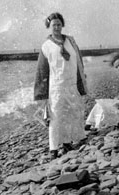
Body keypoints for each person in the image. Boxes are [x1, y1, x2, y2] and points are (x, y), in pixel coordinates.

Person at [34, 12, 87, 160]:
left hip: (72, 84)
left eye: (58, 24)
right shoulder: (46, 46)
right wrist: (41, 95)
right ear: (49, 27)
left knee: (74, 112)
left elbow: (79, 62)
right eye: (53, 25)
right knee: (56, 116)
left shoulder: (71, 41)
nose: (56, 27)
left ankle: (70, 141)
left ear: (62, 25)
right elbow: (41, 71)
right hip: (56, 87)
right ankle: (53, 148)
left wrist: (82, 81)